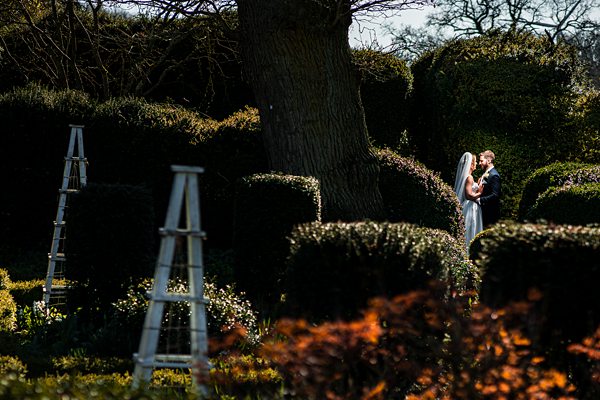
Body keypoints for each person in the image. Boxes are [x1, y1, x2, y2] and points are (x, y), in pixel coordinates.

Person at [454, 152, 484, 251]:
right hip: (471, 207)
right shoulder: (469, 177)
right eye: (475, 162)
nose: (476, 164)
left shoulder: (466, 177)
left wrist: (477, 184)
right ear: (471, 164)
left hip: (466, 206)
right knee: (471, 230)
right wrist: (480, 192)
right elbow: (469, 195)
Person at [478, 150, 501, 227]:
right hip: (483, 212)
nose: (479, 163)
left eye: (481, 161)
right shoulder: (486, 173)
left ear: (489, 160)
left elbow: (495, 195)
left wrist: (480, 200)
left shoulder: (494, 175)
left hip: (490, 214)